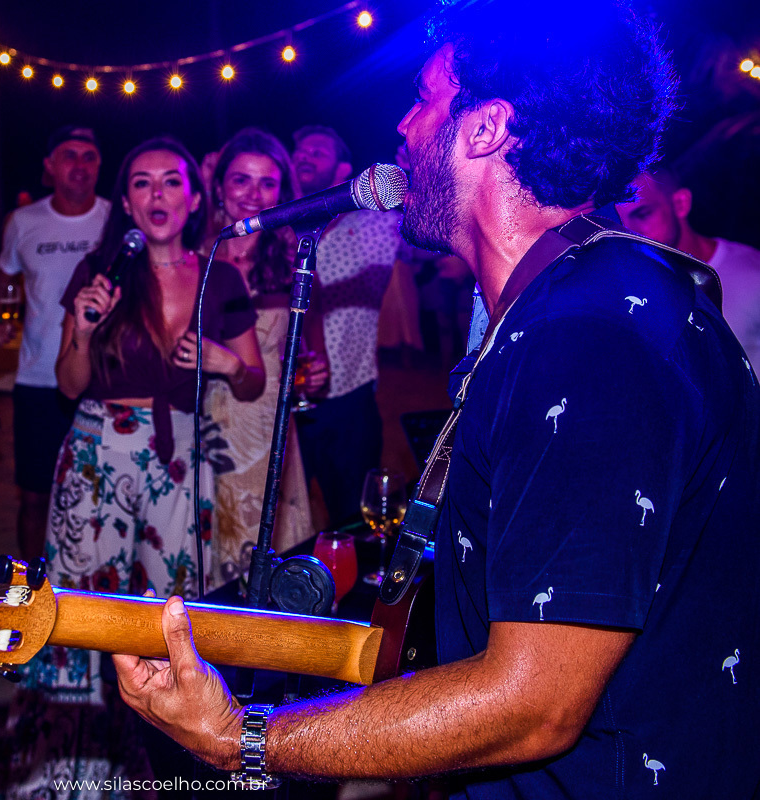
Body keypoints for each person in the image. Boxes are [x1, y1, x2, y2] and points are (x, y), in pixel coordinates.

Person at [112, 2, 760, 797]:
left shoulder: (585, 337)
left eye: (423, 98)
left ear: (485, 128)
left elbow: (532, 703)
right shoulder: (576, 301)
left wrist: (239, 738)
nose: (404, 126)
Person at [4, 136, 264, 797]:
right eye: (142, 183)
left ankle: (165, 772)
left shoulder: (221, 278)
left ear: (195, 198)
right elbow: (68, 384)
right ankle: (69, 775)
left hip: (180, 461)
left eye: (172, 181)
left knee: (167, 619)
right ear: (125, 202)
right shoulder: (100, 273)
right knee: (79, 612)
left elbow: (255, 381)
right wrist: (84, 329)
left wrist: (228, 362)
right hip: (97, 452)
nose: (157, 195)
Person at [203, 128, 320, 585]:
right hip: (204, 419)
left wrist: (314, 371)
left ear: (282, 192)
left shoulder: (296, 261)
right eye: (241, 180)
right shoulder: (195, 256)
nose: (253, 194)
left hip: (269, 420)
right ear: (219, 186)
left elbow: (305, 350)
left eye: (267, 183)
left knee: (269, 549)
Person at [0, 125, 110, 561]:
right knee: (34, 497)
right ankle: (31, 585)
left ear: (99, 165)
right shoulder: (23, 221)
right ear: (49, 166)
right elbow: (4, 278)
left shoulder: (115, 218)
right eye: (69, 155)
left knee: (99, 496)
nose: (80, 165)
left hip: (101, 380)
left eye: (89, 156)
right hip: (38, 378)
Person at [290, 124, 401, 529]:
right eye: (300, 150)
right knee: (287, 521)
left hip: (346, 396)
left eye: (317, 152)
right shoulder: (279, 228)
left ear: (342, 171)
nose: (304, 156)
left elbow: (432, 243)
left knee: (353, 521)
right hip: (283, 398)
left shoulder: (375, 226)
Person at [617, 164, 760, 367]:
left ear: (680, 204)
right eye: (621, 224)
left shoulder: (751, 276)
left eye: (643, 214)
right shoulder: (639, 295)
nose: (630, 232)